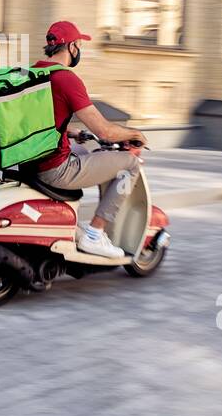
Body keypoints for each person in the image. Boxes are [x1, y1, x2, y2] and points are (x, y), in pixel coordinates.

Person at [31, 21, 149, 259]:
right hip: (55, 169)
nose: (80, 50)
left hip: (32, 161)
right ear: (72, 47)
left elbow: (39, 121)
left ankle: (70, 224)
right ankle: (95, 233)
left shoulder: (35, 72)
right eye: (80, 45)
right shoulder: (66, 79)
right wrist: (135, 135)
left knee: (89, 154)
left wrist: (70, 132)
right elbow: (105, 132)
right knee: (129, 164)